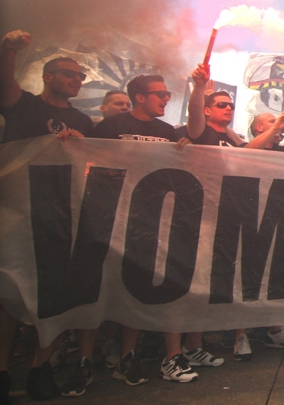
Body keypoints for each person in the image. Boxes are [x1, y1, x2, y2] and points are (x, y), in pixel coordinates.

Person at [91, 69, 221, 383]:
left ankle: (131, 358)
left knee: (141, 288)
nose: (166, 98)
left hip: (153, 222)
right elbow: (93, 160)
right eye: (160, 94)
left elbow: (195, 128)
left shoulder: (166, 130)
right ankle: (108, 355)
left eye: (168, 94)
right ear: (140, 97)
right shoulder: (111, 126)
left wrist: (198, 90)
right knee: (111, 288)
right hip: (114, 219)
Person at [0, 31, 96, 400]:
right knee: (9, 292)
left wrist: (81, 148)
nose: (77, 79)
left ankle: (41, 366)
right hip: (16, 211)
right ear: (48, 76)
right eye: (69, 73)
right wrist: (8, 50)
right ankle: (4, 368)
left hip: (58, 215)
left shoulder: (83, 122)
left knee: (53, 292)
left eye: (81, 76)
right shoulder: (23, 105)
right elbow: (5, 83)